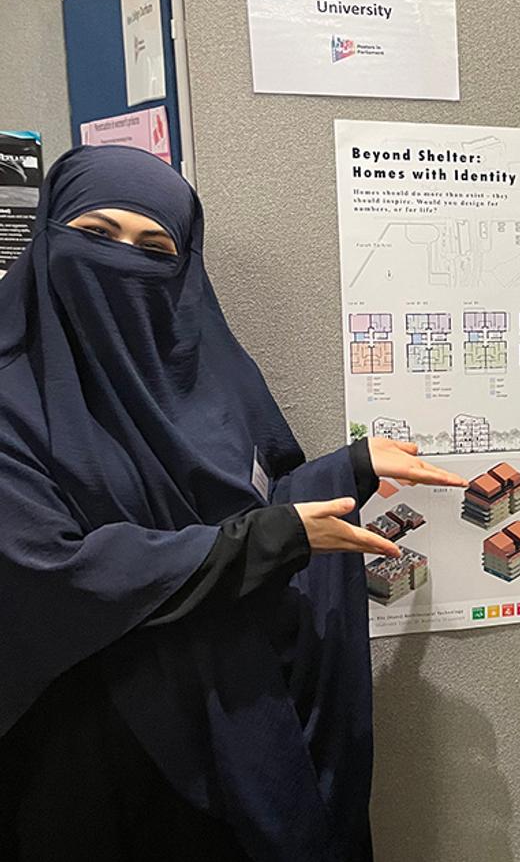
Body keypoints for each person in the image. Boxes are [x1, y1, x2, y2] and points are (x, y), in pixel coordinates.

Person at [0, 146, 465, 861]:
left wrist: (350, 468)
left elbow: (256, 504)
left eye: (155, 247)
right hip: (94, 754)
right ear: (50, 236)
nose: (124, 262)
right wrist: (260, 541)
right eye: (97, 235)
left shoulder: (210, 373)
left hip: (237, 734)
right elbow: (52, 572)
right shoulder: (11, 400)